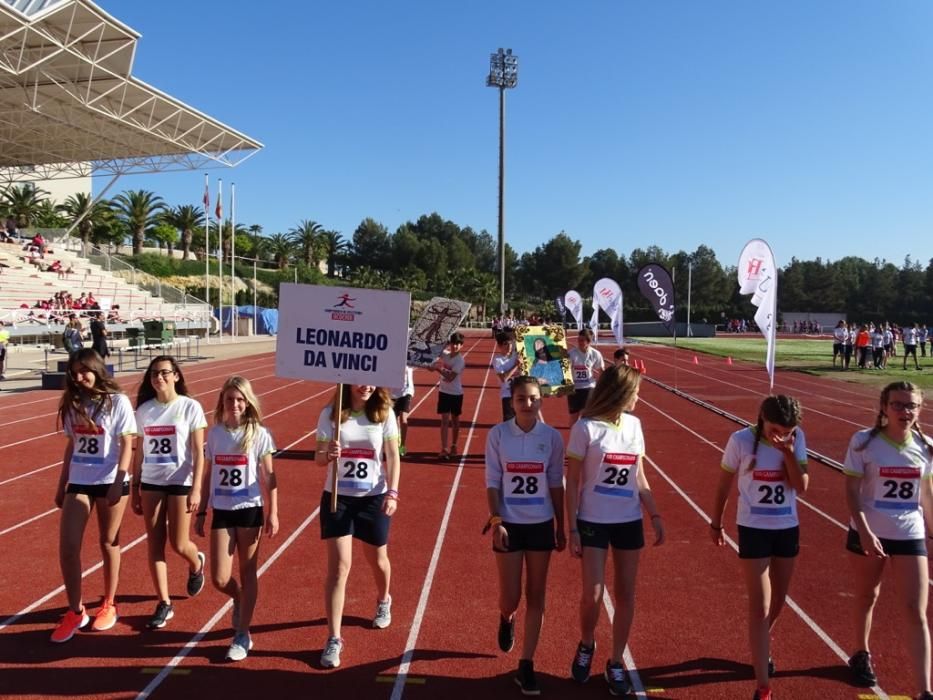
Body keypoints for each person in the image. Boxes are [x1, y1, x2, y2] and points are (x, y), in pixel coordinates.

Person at [565, 365, 665, 696]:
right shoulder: (586, 428)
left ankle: (616, 660)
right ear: (621, 393)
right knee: (592, 594)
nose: (639, 397)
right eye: (636, 391)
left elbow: (639, 475)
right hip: (593, 520)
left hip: (627, 520)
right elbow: (573, 481)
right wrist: (573, 527)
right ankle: (586, 642)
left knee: (626, 594)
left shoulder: (634, 426)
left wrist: (653, 514)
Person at [710, 395, 809, 700]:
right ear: (762, 419)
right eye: (776, 428)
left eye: (789, 430)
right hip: (753, 528)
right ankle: (763, 686)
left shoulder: (797, 439)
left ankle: (760, 641)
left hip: (786, 527)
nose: (782, 435)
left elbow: (801, 486)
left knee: (779, 598)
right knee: (761, 605)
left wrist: (789, 454)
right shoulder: (739, 440)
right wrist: (716, 522)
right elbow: (724, 483)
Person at [843, 381, 933, 698]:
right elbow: (851, 491)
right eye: (897, 404)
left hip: (909, 533)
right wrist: (864, 530)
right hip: (870, 531)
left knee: (915, 609)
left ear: (920, 410)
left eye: (910, 406)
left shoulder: (926, 447)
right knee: (868, 595)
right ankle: (860, 651)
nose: (904, 411)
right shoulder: (864, 443)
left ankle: (924, 690)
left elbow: (927, 496)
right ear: (883, 407)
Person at [485, 376, 566, 694]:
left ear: (541, 400)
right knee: (511, 597)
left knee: (537, 595)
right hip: (509, 524)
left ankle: (526, 663)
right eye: (521, 399)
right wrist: (495, 521)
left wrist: (561, 524)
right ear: (511, 402)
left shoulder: (552, 437)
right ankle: (506, 617)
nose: (528, 404)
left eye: (533, 398)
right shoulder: (498, 434)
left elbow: (556, 483)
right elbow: (492, 480)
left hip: (541, 524)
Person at [51, 349, 137, 643]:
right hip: (79, 480)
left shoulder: (118, 401)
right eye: (74, 373)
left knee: (108, 541)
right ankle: (76, 611)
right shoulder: (73, 404)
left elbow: (128, 443)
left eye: (84, 371)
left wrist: (120, 480)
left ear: (97, 369)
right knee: (68, 547)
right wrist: (62, 484)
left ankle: (109, 603)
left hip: (111, 479)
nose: (79, 377)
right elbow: (71, 446)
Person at [315, 384, 401, 669]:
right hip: (338, 498)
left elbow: (393, 454)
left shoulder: (384, 413)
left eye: (371, 380)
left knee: (377, 559)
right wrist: (328, 453)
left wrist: (393, 492)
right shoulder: (330, 414)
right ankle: (334, 637)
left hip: (373, 498)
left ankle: (384, 598)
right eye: (360, 380)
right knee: (339, 568)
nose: (366, 386)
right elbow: (316, 457)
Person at [195, 376, 278, 662]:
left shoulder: (259, 433)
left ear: (248, 402)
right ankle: (239, 598)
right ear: (222, 402)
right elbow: (208, 475)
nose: (235, 404)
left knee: (247, 570)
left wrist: (273, 512)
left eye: (240, 399)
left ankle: (242, 634)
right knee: (219, 578)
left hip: (249, 509)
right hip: (222, 509)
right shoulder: (215, 434)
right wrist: (202, 510)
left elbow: (269, 475)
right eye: (230, 399)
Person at [132, 356, 208, 630]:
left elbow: (200, 453)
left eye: (164, 373)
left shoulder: (190, 407)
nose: (158, 378)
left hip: (180, 482)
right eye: (154, 373)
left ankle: (196, 562)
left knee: (178, 543)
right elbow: (139, 451)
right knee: (154, 545)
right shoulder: (144, 411)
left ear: (176, 376)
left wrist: (197, 488)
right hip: (151, 482)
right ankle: (164, 603)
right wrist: (134, 486)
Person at [431, 332, 465, 460]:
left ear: (461, 346)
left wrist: (438, 369)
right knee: (444, 420)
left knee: (455, 420)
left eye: (458, 344)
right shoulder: (445, 355)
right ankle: (444, 448)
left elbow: (450, 377)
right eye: (453, 343)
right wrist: (431, 366)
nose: (455, 346)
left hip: (456, 393)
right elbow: (434, 350)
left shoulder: (460, 361)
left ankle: (454, 445)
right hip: (444, 392)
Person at [567, 329, 605, 426]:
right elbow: (565, 371)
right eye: (578, 340)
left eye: (582, 340)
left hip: (588, 387)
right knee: (573, 417)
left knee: (585, 416)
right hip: (574, 388)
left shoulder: (595, 354)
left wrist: (602, 386)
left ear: (589, 342)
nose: (579, 342)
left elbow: (602, 370)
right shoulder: (571, 354)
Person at [492, 331, 519, 422]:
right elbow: (503, 378)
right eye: (506, 344)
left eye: (511, 344)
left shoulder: (517, 355)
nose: (509, 346)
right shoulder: (497, 360)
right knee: (509, 422)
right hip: (507, 394)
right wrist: (516, 366)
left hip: (520, 393)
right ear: (499, 346)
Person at [389, 365, 415, 457]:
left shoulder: (410, 359)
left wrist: (431, 365)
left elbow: (422, 360)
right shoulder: (391, 359)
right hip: (392, 394)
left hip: (406, 392)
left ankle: (402, 445)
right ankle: (397, 439)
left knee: (403, 420)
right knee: (393, 421)